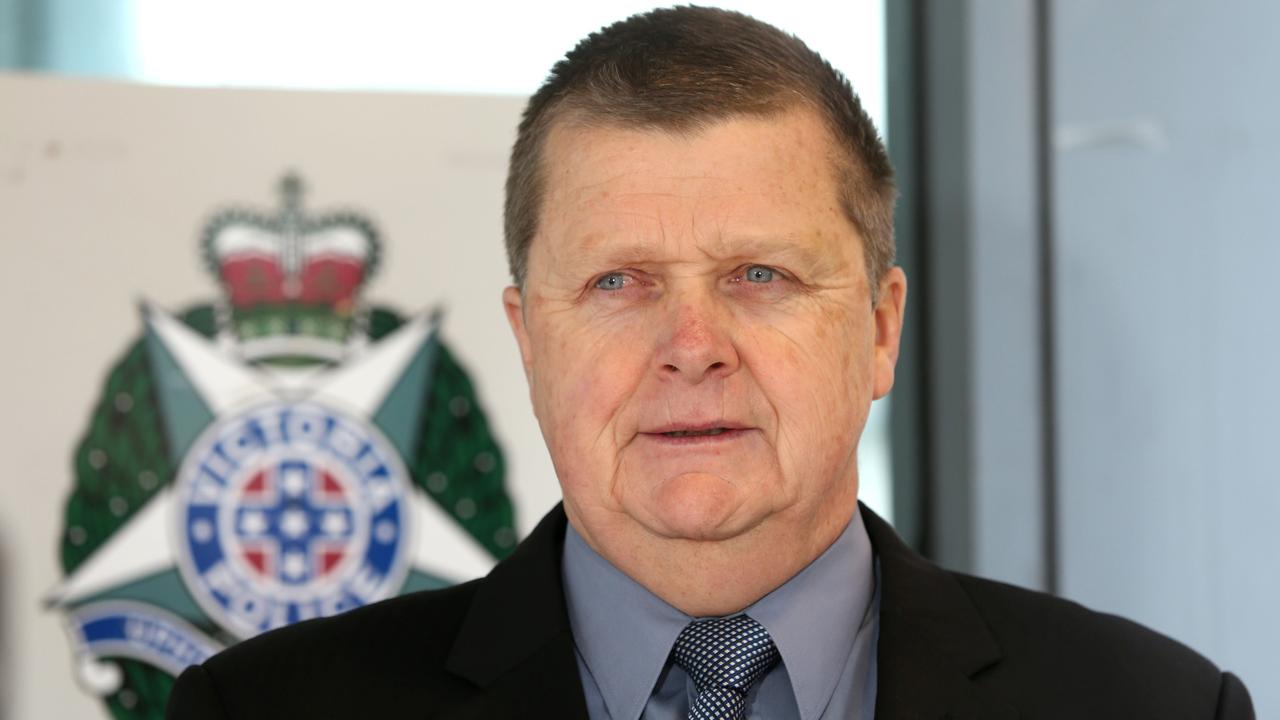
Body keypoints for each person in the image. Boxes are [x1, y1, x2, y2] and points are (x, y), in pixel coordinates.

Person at [166, 6, 1254, 719]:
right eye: (616, 282)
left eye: (759, 277)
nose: (690, 349)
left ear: (878, 329)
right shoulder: (265, 712)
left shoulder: (1151, 709)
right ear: (528, 340)